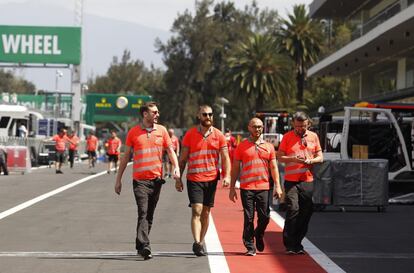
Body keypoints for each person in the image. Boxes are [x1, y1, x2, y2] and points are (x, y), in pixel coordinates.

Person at [115, 102, 180, 260]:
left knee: (149, 215)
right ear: (145, 114)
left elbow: (170, 151)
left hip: (157, 180)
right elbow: (125, 158)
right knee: (143, 211)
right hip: (140, 181)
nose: (157, 114)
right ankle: (145, 245)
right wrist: (118, 180)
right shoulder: (133, 133)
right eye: (154, 112)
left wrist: (176, 167)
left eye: (158, 112)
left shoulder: (162, 130)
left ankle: (140, 244)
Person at [175, 105, 231, 256]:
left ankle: (201, 240)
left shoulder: (219, 135)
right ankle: (197, 242)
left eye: (210, 114)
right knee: (197, 210)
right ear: (198, 116)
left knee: (206, 213)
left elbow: (225, 157)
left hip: (211, 180)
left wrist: (227, 176)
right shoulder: (190, 134)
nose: (208, 117)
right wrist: (178, 178)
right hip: (194, 179)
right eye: (205, 114)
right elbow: (183, 159)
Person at [229, 118, 283, 256]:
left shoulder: (269, 147)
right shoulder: (242, 146)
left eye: (259, 127)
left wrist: (278, 186)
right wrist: (232, 188)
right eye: (254, 127)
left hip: (264, 187)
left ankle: (258, 234)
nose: (257, 129)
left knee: (265, 216)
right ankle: (249, 245)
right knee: (249, 217)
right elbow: (235, 168)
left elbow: (274, 167)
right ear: (249, 128)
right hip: (246, 187)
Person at [276, 111, 323, 255]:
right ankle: (289, 244)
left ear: (307, 124)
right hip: (291, 181)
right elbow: (280, 157)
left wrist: (311, 161)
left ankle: (298, 243)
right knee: (293, 209)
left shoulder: (313, 137)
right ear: (293, 124)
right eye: (297, 126)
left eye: (302, 126)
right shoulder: (287, 137)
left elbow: (320, 157)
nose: (299, 129)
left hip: (307, 180)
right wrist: (292, 159)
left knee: (306, 212)